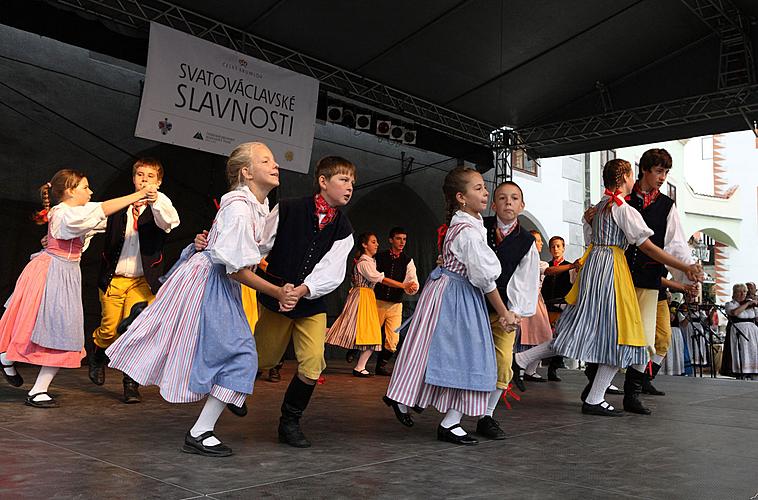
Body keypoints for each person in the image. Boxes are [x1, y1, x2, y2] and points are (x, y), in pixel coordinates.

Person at [106, 142, 295, 457]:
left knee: (215, 349)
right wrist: (277, 292)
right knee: (240, 355)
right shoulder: (238, 207)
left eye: (274, 160)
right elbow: (234, 269)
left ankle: (147, 317)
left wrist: (210, 240)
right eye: (266, 160)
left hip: (213, 279)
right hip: (212, 281)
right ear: (246, 172)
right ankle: (200, 430)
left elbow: (242, 251)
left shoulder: (255, 206)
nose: (275, 165)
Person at [512, 158, 702, 416]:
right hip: (611, 270)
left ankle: (523, 360)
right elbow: (647, 246)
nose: (634, 180)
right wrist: (685, 266)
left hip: (594, 268)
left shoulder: (599, 207)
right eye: (632, 175)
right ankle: (593, 396)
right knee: (621, 335)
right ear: (624, 178)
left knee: (581, 329)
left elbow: (591, 237)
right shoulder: (622, 208)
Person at [384, 166, 518, 445]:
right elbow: (483, 277)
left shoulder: (468, 225)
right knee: (469, 357)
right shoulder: (467, 231)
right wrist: (503, 312)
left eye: (484, 187)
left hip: (452, 292)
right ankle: (443, 419)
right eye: (478, 188)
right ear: (461, 197)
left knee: (443, 353)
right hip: (456, 296)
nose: (485, 192)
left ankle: (406, 399)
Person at [0, 169, 154, 407]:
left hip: (67, 272)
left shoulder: (75, 213)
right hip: (51, 272)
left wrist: (143, 206)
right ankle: (14, 365)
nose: (90, 191)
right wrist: (136, 195)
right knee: (45, 325)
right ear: (70, 191)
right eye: (85, 187)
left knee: (60, 330)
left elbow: (102, 220)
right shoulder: (63, 213)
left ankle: (28, 378)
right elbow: (100, 210)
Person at [253, 156, 356, 448]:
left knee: (313, 363)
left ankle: (290, 422)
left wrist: (303, 290)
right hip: (276, 297)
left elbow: (333, 270)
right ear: (323, 182)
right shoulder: (287, 208)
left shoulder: (344, 228)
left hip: (311, 303)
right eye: (343, 180)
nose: (349, 188)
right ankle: (232, 394)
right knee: (264, 358)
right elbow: (259, 242)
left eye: (352, 183)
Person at [88, 158, 180, 404]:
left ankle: (131, 383)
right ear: (133, 178)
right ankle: (98, 351)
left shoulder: (161, 204)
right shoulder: (121, 206)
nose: (144, 180)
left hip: (143, 281)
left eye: (150, 176)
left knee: (136, 332)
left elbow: (169, 221)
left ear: (158, 182)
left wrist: (155, 200)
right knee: (109, 329)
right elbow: (92, 224)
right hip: (114, 279)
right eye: (140, 175)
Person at [477, 181, 539, 439]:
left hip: (504, 312)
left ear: (522, 206)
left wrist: (515, 312)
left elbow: (527, 279)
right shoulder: (479, 226)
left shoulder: (526, 241)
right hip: (474, 303)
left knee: (503, 362)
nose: (508, 202)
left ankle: (487, 415)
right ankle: (451, 410)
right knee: (468, 358)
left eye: (514, 198)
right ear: (493, 204)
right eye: (502, 198)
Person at [325, 232, 413, 376]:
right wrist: (403, 286)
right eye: (373, 242)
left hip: (367, 296)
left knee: (365, 333)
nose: (377, 244)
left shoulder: (370, 261)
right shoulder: (365, 262)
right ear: (364, 245)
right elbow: (381, 279)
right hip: (362, 296)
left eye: (376, 242)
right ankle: (358, 366)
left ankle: (360, 367)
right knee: (357, 331)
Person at [372, 227, 419, 376]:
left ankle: (381, 365)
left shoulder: (407, 260)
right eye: (398, 239)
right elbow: (373, 277)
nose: (402, 242)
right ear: (391, 240)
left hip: (395, 304)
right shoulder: (379, 257)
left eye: (404, 239)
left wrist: (413, 287)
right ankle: (355, 355)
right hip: (377, 301)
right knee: (369, 333)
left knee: (393, 339)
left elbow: (412, 279)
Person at [517, 230, 554, 383]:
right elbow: (549, 270)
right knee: (530, 337)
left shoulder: (537, 261)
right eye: (538, 241)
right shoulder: (532, 261)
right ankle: (523, 369)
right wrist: (571, 265)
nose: (541, 243)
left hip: (535, 300)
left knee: (541, 336)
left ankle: (528, 369)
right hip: (528, 300)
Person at [540, 236, 577, 382]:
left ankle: (554, 367)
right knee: (544, 337)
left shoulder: (570, 267)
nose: (556, 249)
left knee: (560, 337)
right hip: (546, 306)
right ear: (549, 249)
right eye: (553, 247)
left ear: (563, 248)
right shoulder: (546, 267)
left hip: (562, 307)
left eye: (558, 246)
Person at [723, 284, 758, 380]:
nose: (742, 294)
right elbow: (735, 313)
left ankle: (754, 374)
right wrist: (747, 304)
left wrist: (754, 304)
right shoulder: (730, 304)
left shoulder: (751, 305)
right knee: (741, 353)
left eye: (744, 291)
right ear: (734, 293)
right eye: (740, 291)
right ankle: (741, 374)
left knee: (753, 353)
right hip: (738, 333)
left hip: (753, 333)